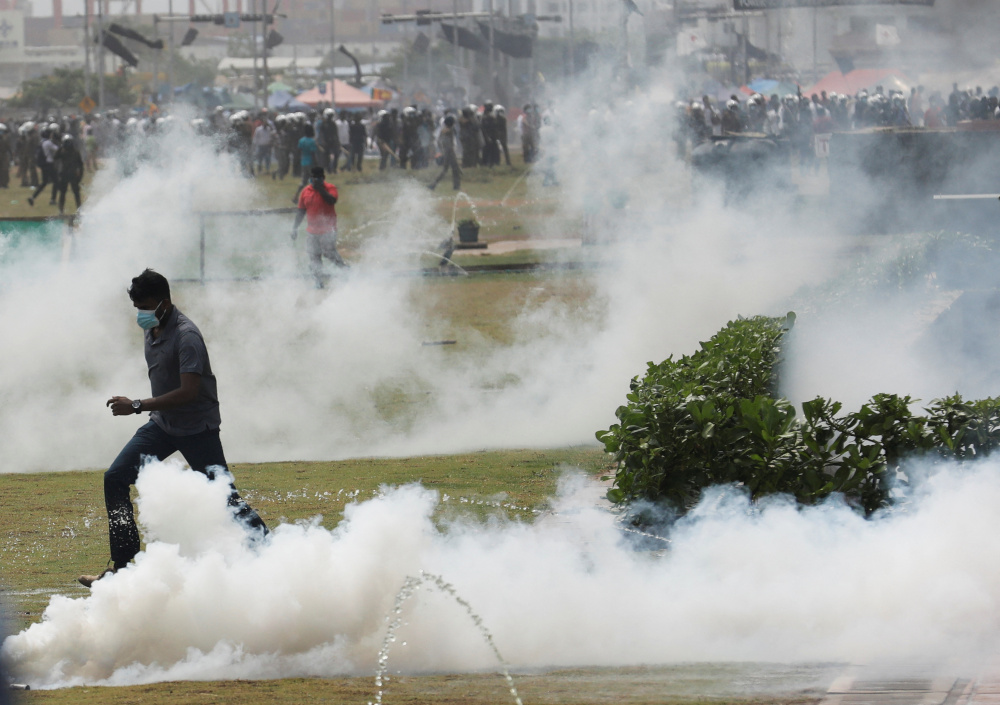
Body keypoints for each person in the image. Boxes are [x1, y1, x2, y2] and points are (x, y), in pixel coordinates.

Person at [79, 269, 268, 587]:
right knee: (116, 478)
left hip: (197, 429)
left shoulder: (187, 336)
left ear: (164, 302)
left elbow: (188, 392)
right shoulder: (151, 328)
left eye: (146, 306)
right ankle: (124, 569)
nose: (141, 313)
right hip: (163, 425)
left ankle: (271, 554)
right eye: (137, 307)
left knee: (225, 498)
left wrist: (136, 405)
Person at [292, 166, 348, 288]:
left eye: (318, 179)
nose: (316, 181)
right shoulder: (305, 192)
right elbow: (301, 211)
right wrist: (295, 228)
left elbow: (332, 200)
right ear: (310, 178)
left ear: (323, 178)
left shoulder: (330, 188)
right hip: (312, 231)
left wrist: (320, 190)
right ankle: (318, 281)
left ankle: (345, 270)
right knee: (314, 256)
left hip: (328, 230)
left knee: (329, 253)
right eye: (313, 179)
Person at [27, 127, 58, 207]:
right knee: (56, 181)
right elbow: (57, 149)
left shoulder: (41, 142)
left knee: (44, 183)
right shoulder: (48, 142)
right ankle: (52, 199)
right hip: (49, 164)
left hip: (44, 164)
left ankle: (32, 197)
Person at [428, 114, 461, 191]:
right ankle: (456, 186)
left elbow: (439, 141)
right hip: (450, 151)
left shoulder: (444, 130)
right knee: (455, 169)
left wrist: (442, 150)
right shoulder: (448, 130)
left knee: (446, 169)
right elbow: (442, 141)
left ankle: (433, 184)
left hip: (447, 151)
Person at [54, 134, 84, 214]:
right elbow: (81, 165)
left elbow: (55, 157)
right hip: (70, 175)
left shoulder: (63, 151)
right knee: (74, 193)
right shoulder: (75, 152)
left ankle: (62, 210)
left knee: (65, 193)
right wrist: (80, 176)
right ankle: (78, 209)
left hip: (66, 174)